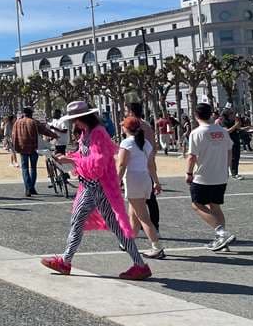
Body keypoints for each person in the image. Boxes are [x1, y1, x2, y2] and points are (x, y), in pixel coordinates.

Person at [42, 101, 152, 280]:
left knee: (78, 220)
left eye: (75, 119)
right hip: (92, 185)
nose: (74, 123)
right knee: (113, 226)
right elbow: (85, 156)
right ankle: (139, 264)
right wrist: (69, 157)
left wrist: (71, 161)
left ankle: (65, 261)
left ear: (81, 118)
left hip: (95, 186)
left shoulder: (97, 133)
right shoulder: (88, 132)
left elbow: (98, 162)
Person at [187, 103, 236, 251]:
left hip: (203, 176)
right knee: (215, 206)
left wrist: (188, 173)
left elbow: (191, 156)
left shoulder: (196, 133)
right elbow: (229, 151)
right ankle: (222, 241)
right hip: (220, 175)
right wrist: (226, 168)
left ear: (196, 115)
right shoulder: (222, 131)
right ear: (210, 115)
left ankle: (221, 232)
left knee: (196, 205)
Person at [117, 116, 164, 259]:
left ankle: (157, 247)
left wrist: (116, 182)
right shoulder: (146, 144)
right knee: (134, 215)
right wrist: (156, 181)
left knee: (143, 217)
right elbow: (151, 165)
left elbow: (122, 165)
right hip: (144, 180)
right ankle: (128, 241)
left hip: (134, 180)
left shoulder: (126, 143)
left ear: (125, 128)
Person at [126, 101, 160, 233]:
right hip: (147, 165)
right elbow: (153, 148)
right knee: (146, 199)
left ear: (131, 112)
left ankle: (150, 228)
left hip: (139, 168)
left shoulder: (135, 126)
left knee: (144, 199)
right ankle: (142, 226)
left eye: (126, 110)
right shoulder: (146, 125)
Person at [11, 107, 60, 197]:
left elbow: (13, 135)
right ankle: (31, 187)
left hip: (22, 148)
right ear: (31, 113)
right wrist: (55, 135)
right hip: (33, 147)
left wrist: (15, 147)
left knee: (25, 168)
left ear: (24, 113)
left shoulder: (17, 123)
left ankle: (27, 188)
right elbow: (45, 131)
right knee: (33, 168)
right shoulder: (33, 122)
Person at [216, 107, 244, 181]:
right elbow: (227, 131)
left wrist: (242, 126)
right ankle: (232, 174)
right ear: (227, 114)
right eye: (232, 113)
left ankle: (235, 173)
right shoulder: (223, 121)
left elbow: (238, 128)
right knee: (231, 158)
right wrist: (235, 125)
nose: (233, 115)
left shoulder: (233, 120)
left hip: (236, 140)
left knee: (236, 157)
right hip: (228, 141)